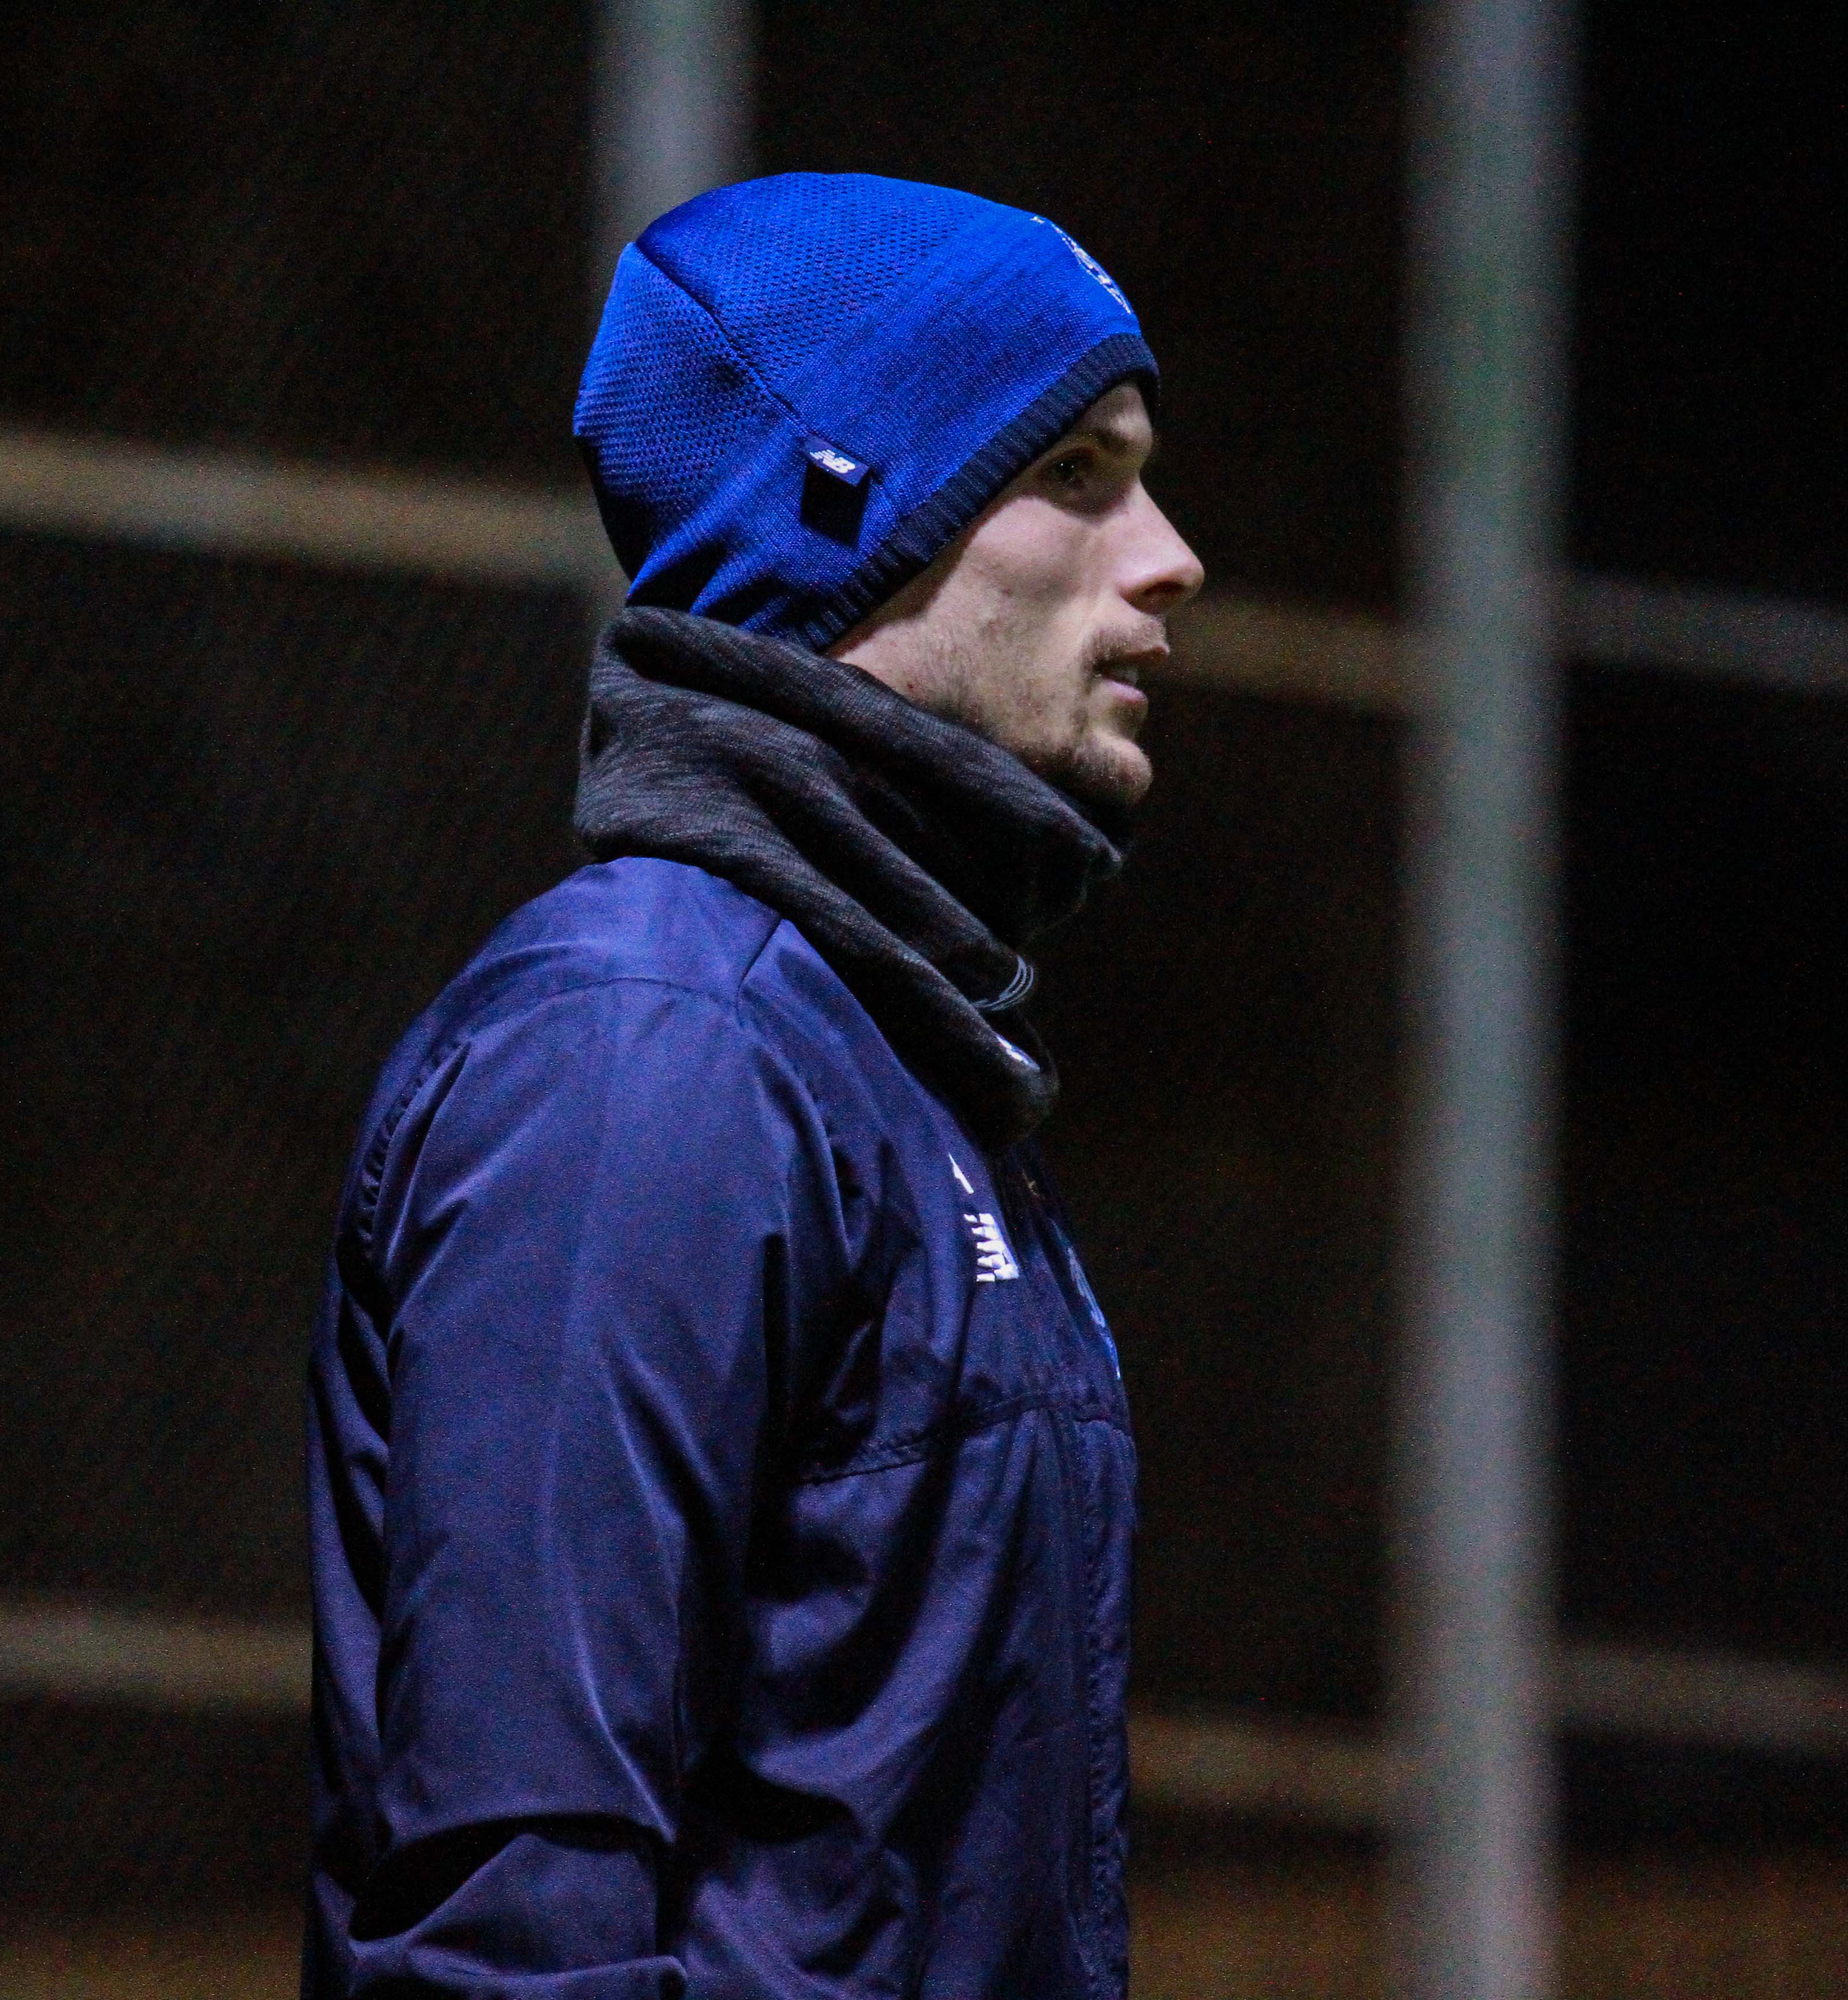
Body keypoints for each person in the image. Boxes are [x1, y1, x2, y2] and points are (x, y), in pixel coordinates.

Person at [305, 171, 1204, 1999]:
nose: (1169, 554)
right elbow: (510, 1921)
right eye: (1077, 473)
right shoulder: (651, 1053)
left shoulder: (895, 1057)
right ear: (845, 514)